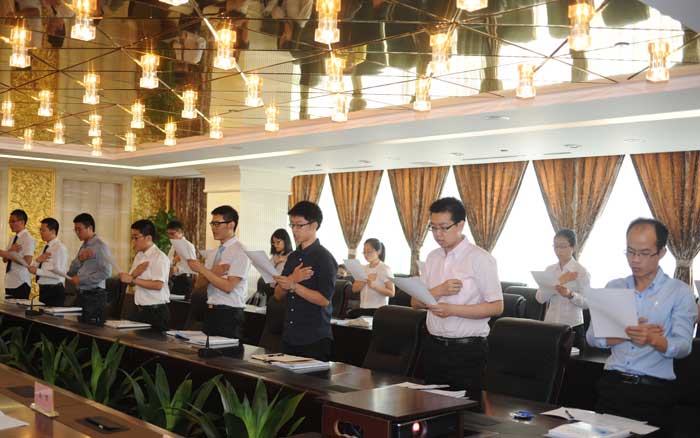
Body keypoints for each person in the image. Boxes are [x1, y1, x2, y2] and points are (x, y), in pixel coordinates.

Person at [586, 218, 697, 436]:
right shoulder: (615, 287)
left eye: (644, 253)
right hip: (611, 387)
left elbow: (684, 345)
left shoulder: (679, 292)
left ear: (662, 252)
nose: (635, 260)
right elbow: (592, 338)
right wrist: (627, 333)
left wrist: (654, 340)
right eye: (630, 251)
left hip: (653, 392)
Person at [411, 197, 503, 404]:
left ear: (460, 225)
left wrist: (453, 310)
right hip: (433, 346)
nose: (438, 234)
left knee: (464, 413)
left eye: (444, 227)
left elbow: (497, 306)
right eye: (433, 228)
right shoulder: (432, 257)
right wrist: (438, 291)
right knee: (429, 408)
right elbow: (415, 302)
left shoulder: (480, 258)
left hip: (467, 351)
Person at [273, 201, 337, 361]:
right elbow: (278, 295)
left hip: (314, 338)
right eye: (292, 225)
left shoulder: (325, 258)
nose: (294, 230)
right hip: (289, 335)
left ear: (314, 225)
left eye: (299, 225)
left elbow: (324, 299)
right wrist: (292, 279)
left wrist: (294, 285)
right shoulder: (293, 257)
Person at [188, 205, 249, 340]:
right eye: (212, 224)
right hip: (210, 310)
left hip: (229, 313)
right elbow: (199, 285)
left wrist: (203, 270)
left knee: (226, 353)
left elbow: (228, 287)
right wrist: (212, 272)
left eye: (217, 224)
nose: (213, 228)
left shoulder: (241, 251)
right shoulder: (213, 253)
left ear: (231, 225)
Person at [535, 229, 590, 349]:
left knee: (570, 361)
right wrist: (555, 285)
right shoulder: (550, 270)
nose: (558, 251)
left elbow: (587, 303)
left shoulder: (581, 271)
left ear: (573, 247)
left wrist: (571, 295)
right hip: (550, 324)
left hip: (573, 326)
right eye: (556, 246)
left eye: (563, 246)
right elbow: (539, 298)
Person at [119, 220, 171, 332]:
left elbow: (158, 285)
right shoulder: (139, 256)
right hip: (139, 310)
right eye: (132, 238)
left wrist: (133, 279)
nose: (133, 241)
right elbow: (130, 282)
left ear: (148, 238)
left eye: (136, 238)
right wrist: (133, 275)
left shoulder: (159, 257)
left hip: (155, 312)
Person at [67, 213, 112, 325]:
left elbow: (106, 272)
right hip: (81, 295)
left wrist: (81, 279)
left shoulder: (100, 246)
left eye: (79, 229)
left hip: (94, 297)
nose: (77, 233)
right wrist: (80, 259)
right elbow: (71, 271)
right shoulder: (84, 246)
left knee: (90, 331)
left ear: (90, 228)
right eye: (75, 230)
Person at [28, 217, 68, 306]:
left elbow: (59, 274)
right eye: (40, 230)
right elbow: (33, 267)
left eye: (43, 230)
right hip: (44, 289)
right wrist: (37, 260)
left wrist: (38, 271)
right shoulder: (44, 248)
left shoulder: (60, 248)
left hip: (54, 290)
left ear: (53, 231)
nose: (40, 232)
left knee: (51, 316)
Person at [351, 238, 395, 310]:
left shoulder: (385, 268)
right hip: (362, 307)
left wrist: (374, 286)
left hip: (378, 310)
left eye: (369, 251)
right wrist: (365, 280)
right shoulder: (362, 268)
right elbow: (354, 289)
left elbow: (391, 293)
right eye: (364, 252)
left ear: (378, 251)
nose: (366, 254)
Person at [1, 209, 35, 299]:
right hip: (10, 281)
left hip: (21, 282)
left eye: (13, 221)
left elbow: (27, 262)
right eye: (9, 222)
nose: (10, 224)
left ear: (22, 222)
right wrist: (10, 252)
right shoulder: (13, 238)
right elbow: (4, 259)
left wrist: (11, 254)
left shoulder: (28, 238)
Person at [166, 220, 197, 299]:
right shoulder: (173, 246)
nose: (170, 236)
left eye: (172, 234)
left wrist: (178, 269)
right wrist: (173, 261)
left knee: (181, 305)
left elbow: (193, 267)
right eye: (168, 234)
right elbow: (168, 262)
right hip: (172, 279)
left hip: (184, 280)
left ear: (181, 232)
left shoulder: (188, 246)